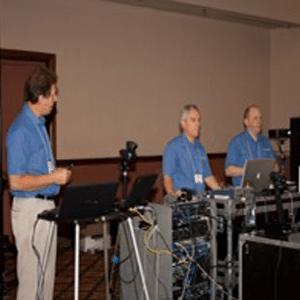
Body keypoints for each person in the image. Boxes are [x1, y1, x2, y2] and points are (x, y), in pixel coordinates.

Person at [6, 66, 72, 300]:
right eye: (53, 93)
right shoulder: (20, 131)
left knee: (45, 279)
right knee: (31, 281)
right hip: (30, 211)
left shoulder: (39, 124)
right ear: (40, 96)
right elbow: (15, 182)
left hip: (45, 208)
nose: (55, 98)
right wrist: (54, 178)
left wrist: (54, 176)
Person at [162, 104, 220, 196]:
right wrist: (172, 196)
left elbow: (208, 176)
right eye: (193, 120)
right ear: (183, 123)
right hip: (183, 202)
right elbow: (167, 178)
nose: (198, 124)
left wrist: (222, 193)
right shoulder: (173, 147)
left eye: (199, 120)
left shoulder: (200, 148)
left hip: (200, 199)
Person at [225, 104, 278, 186]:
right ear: (246, 122)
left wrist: (271, 170)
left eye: (260, 118)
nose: (259, 121)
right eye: (255, 118)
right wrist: (251, 171)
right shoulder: (237, 142)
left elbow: (275, 166)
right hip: (244, 193)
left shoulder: (266, 142)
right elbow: (228, 171)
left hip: (265, 190)